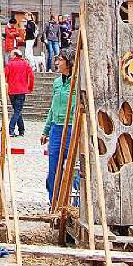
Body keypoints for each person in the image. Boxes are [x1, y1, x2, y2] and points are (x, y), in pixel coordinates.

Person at [41, 48, 77, 203]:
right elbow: (52, 108)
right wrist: (46, 130)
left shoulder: (77, 82)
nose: (57, 62)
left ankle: (75, 203)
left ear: (69, 61)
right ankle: (54, 203)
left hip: (72, 128)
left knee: (73, 168)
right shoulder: (57, 83)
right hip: (56, 128)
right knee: (53, 168)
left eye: (60, 59)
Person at [5, 49, 34, 137]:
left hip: (12, 91)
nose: (10, 56)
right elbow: (31, 76)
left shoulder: (10, 64)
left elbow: (4, 73)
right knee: (18, 111)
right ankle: (11, 130)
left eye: (11, 54)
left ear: (15, 55)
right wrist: (30, 88)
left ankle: (21, 130)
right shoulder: (25, 64)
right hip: (21, 91)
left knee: (17, 111)